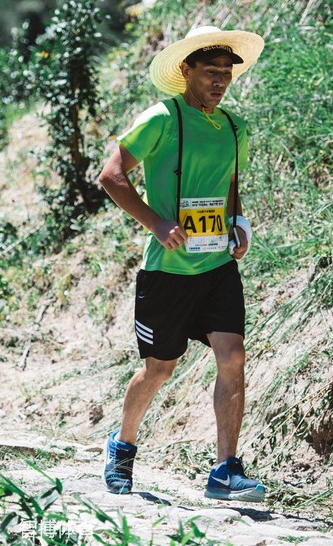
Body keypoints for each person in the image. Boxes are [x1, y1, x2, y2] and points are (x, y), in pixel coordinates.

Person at [96, 26, 265, 502]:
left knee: (232, 355)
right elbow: (111, 176)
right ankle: (122, 446)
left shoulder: (234, 127)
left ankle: (225, 470)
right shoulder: (161, 119)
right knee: (159, 369)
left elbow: (229, 183)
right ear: (186, 70)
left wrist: (238, 223)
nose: (220, 81)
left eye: (226, 73)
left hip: (216, 266)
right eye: (210, 71)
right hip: (167, 272)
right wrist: (156, 223)